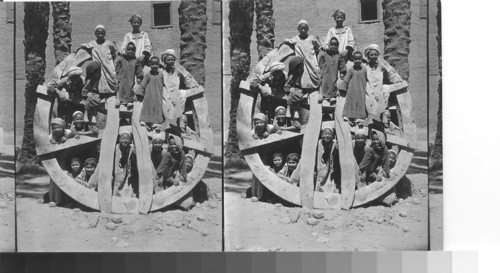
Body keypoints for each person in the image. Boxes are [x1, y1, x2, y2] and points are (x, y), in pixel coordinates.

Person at [161, 49, 200, 131]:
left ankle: (181, 123)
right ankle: (167, 122)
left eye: (172, 60)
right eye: (168, 60)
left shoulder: (177, 71)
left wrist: (192, 86)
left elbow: (187, 78)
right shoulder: (162, 72)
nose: (170, 61)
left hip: (175, 91)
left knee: (179, 99)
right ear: (164, 61)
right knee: (165, 103)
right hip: (166, 91)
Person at [364, 44, 403, 122]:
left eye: (375, 55)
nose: (373, 56)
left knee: (381, 98)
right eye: (371, 55)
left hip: (379, 87)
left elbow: (391, 72)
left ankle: (382, 121)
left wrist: (398, 81)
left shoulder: (381, 65)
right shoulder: (365, 66)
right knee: (368, 100)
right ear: (368, 56)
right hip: (369, 88)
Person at [283, 20, 321, 90]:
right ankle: (303, 88)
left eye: (305, 29)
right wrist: (284, 42)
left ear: (308, 29)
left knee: (315, 72)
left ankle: (314, 88)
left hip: (311, 60)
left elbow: (319, 46)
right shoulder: (295, 39)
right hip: (302, 61)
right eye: (301, 29)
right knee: (303, 74)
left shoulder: (312, 38)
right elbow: (287, 41)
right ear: (298, 29)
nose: (303, 30)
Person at [80, 25, 118, 94]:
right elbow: (83, 45)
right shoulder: (92, 44)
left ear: (105, 34)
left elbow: (116, 51)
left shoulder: (108, 43)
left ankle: (112, 92)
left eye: (102, 33)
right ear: (95, 34)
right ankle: (100, 92)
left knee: (112, 76)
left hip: (108, 64)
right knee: (99, 78)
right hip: (98, 66)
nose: (100, 35)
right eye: (98, 33)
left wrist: (113, 56)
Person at [339, 51, 368, 122]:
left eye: (359, 59)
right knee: (350, 101)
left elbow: (368, 79)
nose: (357, 61)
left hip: (361, 89)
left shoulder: (364, 69)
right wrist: (341, 89)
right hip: (352, 89)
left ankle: (359, 117)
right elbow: (346, 79)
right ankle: (348, 115)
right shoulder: (351, 70)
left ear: (362, 59)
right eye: (356, 59)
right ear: (353, 60)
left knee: (361, 102)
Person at [137, 56, 165, 128]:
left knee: (158, 107)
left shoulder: (161, 75)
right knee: (147, 106)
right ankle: (144, 120)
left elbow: (165, 84)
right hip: (149, 94)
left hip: (158, 94)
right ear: (150, 65)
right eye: (152, 64)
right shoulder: (148, 75)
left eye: (156, 64)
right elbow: (143, 84)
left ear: (158, 65)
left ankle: (156, 122)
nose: (154, 66)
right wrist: (139, 93)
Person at [317, 37, 347, 102]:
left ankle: (333, 96)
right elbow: (320, 63)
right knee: (323, 81)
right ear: (329, 45)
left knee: (334, 81)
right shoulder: (324, 54)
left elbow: (342, 65)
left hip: (334, 72)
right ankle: (321, 94)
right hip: (325, 72)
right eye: (331, 44)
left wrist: (342, 72)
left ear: (338, 46)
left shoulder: (339, 55)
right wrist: (322, 69)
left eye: (335, 45)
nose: (333, 46)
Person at [115, 42, 144, 107]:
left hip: (131, 77)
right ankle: (119, 99)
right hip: (122, 76)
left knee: (131, 86)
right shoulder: (122, 58)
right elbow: (117, 66)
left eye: (132, 50)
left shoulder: (136, 60)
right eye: (128, 49)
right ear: (126, 50)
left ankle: (129, 101)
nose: (130, 51)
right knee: (121, 86)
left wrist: (139, 76)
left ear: (135, 51)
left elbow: (139, 69)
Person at [113, 131, 138, 197]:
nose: (125, 140)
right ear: (119, 140)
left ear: (130, 140)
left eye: (127, 139)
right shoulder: (116, 147)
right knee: (117, 184)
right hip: (118, 169)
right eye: (123, 138)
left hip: (128, 170)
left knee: (127, 186)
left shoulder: (132, 147)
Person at [315, 128, 338, 192]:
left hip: (330, 165)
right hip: (321, 165)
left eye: (329, 134)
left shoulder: (334, 143)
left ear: (332, 135)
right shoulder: (318, 143)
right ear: (322, 135)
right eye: (325, 134)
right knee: (320, 179)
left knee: (330, 182)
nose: (327, 136)